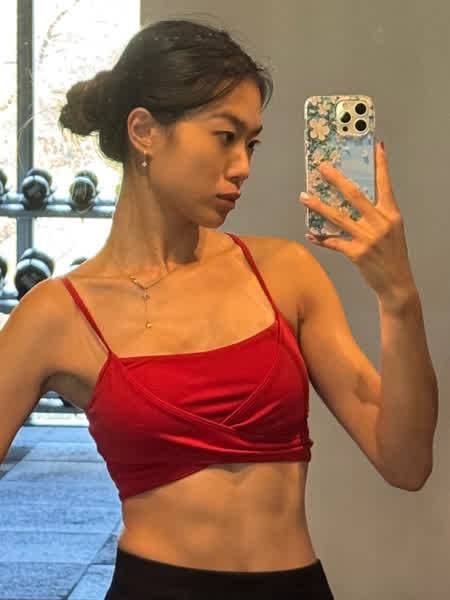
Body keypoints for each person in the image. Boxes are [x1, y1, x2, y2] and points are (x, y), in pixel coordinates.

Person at [1, 16, 437, 600]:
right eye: (225, 136)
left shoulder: (285, 275)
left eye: (250, 143)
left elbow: (406, 462)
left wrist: (399, 297)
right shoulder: (57, 313)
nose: (243, 167)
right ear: (144, 131)